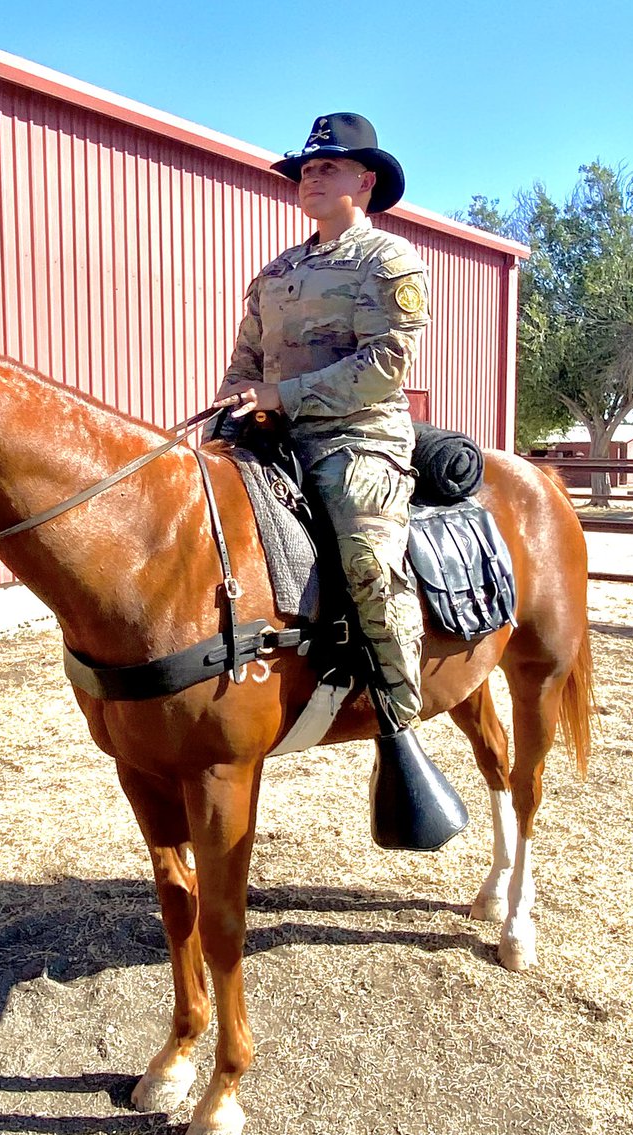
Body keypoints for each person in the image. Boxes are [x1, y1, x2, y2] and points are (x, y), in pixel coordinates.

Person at [213, 112, 430, 728]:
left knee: (366, 555)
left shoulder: (387, 259)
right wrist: (231, 412)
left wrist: (282, 395)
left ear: (365, 183)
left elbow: (385, 364)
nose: (311, 177)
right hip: (272, 432)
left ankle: (398, 708)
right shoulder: (277, 271)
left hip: (357, 436)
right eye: (306, 169)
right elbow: (246, 359)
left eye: (328, 166)